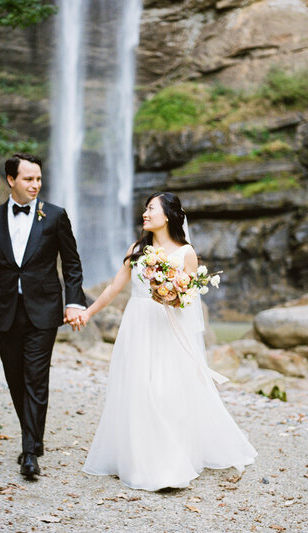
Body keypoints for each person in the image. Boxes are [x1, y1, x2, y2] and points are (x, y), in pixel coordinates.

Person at [79, 192, 257, 491]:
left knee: (164, 392)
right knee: (138, 390)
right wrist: (88, 313)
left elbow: (190, 301)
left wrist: (171, 295)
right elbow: (114, 287)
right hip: (137, 325)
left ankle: (169, 463)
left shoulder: (185, 253)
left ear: (168, 216)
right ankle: (138, 460)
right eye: (145, 209)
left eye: (151, 209)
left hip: (168, 329)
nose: (145, 214)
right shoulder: (137, 249)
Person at [0, 153, 86, 479]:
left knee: (36, 378)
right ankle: (33, 437)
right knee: (14, 378)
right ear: (11, 180)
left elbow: (72, 264)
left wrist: (73, 302)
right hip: (6, 312)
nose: (36, 185)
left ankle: (29, 452)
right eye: (28, 179)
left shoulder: (55, 216)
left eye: (38, 179)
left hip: (44, 311)